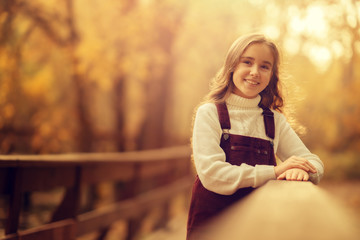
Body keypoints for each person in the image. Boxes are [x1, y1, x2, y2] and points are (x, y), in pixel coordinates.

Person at [186, 33, 324, 239]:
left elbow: (313, 162)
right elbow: (212, 174)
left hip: (258, 227)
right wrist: (276, 171)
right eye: (247, 62)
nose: (254, 72)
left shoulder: (275, 121)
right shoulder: (210, 113)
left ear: (271, 75)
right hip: (212, 227)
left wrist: (303, 172)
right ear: (232, 65)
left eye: (264, 66)